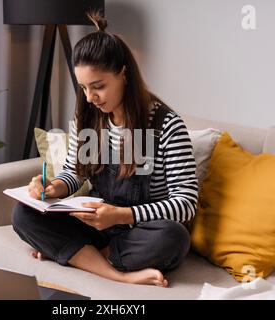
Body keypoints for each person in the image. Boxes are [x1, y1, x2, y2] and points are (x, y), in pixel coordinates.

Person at [12, 11, 198, 287]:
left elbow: (186, 202)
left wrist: (122, 215)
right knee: (23, 214)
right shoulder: (89, 118)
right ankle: (118, 273)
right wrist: (54, 188)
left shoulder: (165, 125)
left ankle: (77, 255)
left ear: (123, 74)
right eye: (84, 88)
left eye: (98, 86)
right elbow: (76, 173)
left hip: (137, 230)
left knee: (174, 238)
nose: (90, 98)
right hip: (93, 226)